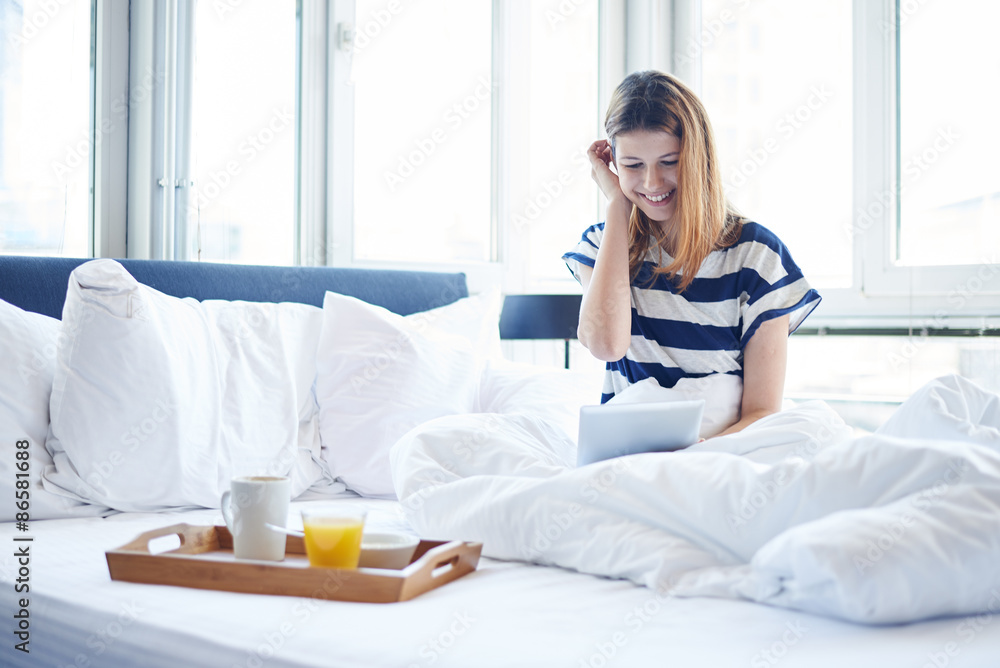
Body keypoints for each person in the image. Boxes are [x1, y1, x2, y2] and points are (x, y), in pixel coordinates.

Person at [563, 70, 820, 437]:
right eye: (633, 166)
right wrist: (617, 207)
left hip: (719, 459)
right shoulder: (603, 246)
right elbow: (606, 345)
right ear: (614, 165)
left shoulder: (757, 258)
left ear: (699, 157)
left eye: (669, 162)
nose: (652, 183)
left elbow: (762, 412)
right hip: (627, 458)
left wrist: (690, 460)